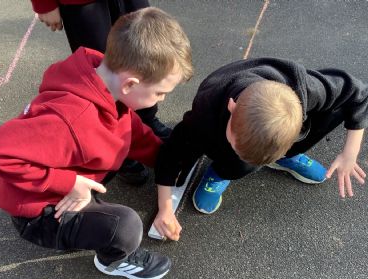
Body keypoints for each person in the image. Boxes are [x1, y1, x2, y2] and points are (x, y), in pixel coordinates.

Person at [0, 8, 193, 279]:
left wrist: (169, 161)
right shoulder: (71, 119)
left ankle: (83, 209)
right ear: (130, 84)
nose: (162, 99)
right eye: (160, 93)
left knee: (120, 153)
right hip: (39, 213)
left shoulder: (102, 79)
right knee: (125, 228)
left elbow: (133, 134)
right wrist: (68, 182)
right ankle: (113, 260)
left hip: (61, 175)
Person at [153, 57, 367, 241]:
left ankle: (285, 155)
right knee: (238, 160)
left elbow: (358, 93)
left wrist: (350, 153)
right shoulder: (206, 112)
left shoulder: (308, 88)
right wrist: (165, 208)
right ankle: (221, 171)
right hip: (219, 120)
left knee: (336, 109)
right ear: (232, 106)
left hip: (282, 117)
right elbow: (172, 152)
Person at [30, 0, 172, 185]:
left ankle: (145, 122)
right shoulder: (77, 115)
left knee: (146, 52)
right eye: (160, 93)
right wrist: (44, 4)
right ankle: (117, 149)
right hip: (82, 3)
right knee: (107, 68)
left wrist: (164, 161)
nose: (163, 97)